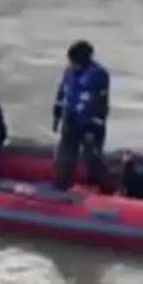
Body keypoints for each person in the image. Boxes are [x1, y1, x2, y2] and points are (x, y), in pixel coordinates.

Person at [52, 40, 112, 191]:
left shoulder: (99, 75)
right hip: (70, 120)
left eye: (74, 62)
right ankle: (61, 187)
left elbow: (98, 105)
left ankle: (98, 188)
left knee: (91, 159)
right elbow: (62, 93)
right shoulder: (69, 72)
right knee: (64, 157)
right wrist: (57, 114)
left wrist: (92, 127)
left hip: (90, 125)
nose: (71, 65)